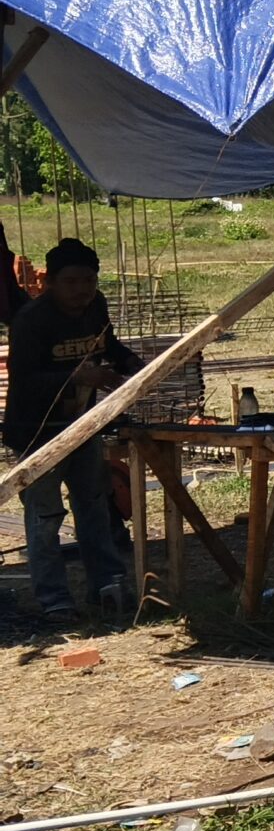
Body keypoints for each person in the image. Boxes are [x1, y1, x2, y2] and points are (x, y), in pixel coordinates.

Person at [5, 238, 138, 623]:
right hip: (37, 431)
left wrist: (132, 363)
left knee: (94, 506)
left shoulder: (95, 307)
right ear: (51, 283)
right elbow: (24, 379)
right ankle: (54, 600)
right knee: (45, 515)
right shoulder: (31, 321)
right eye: (72, 282)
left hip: (82, 425)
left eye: (89, 281)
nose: (82, 290)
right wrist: (76, 377)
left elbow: (108, 345)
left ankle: (107, 586)